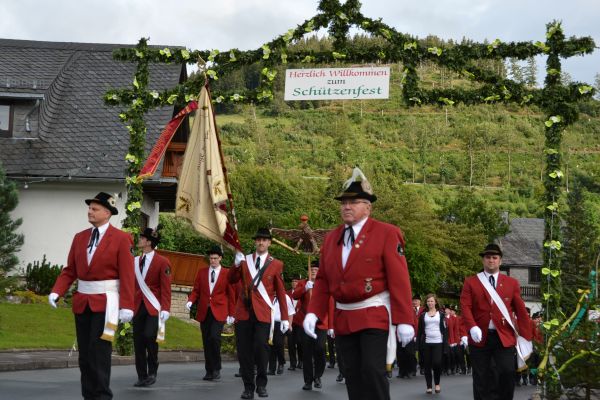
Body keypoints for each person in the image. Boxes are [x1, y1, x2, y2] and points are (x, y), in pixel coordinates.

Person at [304, 168, 415, 400]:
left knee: (372, 371)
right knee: (352, 375)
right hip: (344, 317)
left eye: (353, 202)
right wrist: (314, 312)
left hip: (373, 313)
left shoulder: (386, 233)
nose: (347, 206)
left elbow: (399, 279)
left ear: (368, 207)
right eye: (344, 202)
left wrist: (405, 319)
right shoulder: (332, 238)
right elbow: (323, 279)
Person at [49, 192, 135, 400]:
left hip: (106, 302)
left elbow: (127, 274)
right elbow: (70, 270)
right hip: (83, 302)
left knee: (99, 353)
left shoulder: (122, 238)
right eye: (89, 208)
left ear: (107, 213)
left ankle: (102, 395)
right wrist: (57, 290)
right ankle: (88, 395)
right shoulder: (80, 238)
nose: (90, 212)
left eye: (95, 209)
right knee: (85, 355)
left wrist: (127, 305)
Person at [460, 243, 533, 400]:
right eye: (488, 257)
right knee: (481, 377)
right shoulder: (471, 282)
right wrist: (472, 327)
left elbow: (520, 310)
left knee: (507, 372)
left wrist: (527, 336)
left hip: (504, 336)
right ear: (483, 260)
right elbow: (465, 307)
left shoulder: (511, 283)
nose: (491, 260)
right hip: (479, 337)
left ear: (500, 261)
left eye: (494, 257)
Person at [229, 228, 290, 399]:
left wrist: (285, 318)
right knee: (244, 352)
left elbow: (281, 292)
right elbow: (231, 280)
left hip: (263, 313)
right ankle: (248, 387)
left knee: (261, 349)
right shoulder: (245, 260)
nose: (261, 242)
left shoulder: (276, 264)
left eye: (264, 240)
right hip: (243, 312)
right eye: (258, 240)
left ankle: (261, 384)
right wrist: (235, 265)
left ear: (269, 243)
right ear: (255, 242)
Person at [186, 246, 235, 381]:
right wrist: (191, 300)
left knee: (214, 338)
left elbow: (231, 295)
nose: (212, 260)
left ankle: (216, 368)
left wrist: (231, 314)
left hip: (219, 311)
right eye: (211, 258)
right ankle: (209, 370)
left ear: (220, 258)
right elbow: (196, 290)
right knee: (206, 341)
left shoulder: (227, 273)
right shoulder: (202, 272)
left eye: (215, 258)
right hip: (204, 311)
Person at [131, 227, 172, 387]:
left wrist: (166, 308)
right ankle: (142, 375)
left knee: (149, 336)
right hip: (137, 305)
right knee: (138, 341)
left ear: (149, 242)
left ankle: (153, 370)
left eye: (142, 238)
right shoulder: (135, 261)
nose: (139, 240)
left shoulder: (162, 262)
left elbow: (166, 288)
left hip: (153, 306)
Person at [293, 260, 333, 391]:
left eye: (316, 270)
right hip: (306, 323)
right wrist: (305, 288)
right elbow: (295, 295)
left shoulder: (325, 284)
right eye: (312, 270)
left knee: (320, 349)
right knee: (307, 352)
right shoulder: (303, 283)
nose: (314, 271)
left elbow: (330, 305)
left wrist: (331, 326)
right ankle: (308, 381)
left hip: (321, 322)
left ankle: (318, 376)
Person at [417, 294, 448, 394]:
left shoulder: (441, 314)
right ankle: (429, 386)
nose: (430, 303)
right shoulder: (423, 315)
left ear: (435, 302)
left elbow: (445, 331)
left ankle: (437, 384)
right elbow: (419, 331)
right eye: (428, 301)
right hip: (426, 343)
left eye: (431, 301)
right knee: (427, 365)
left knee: (437, 363)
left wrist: (446, 345)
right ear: (426, 303)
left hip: (438, 342)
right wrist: (417, 345)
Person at [268, 292, 295, 375]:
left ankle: (281, 363)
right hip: (270, 323)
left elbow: (291, 312)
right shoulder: (268, 295)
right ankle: (271, 368)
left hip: (281, 323)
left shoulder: (285, 297)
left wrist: (289, 324)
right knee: (271, 345)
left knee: (279, 344)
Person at [287, 274, 303, 371]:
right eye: (293, 281)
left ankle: (301, 361)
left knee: (300, 342)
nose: (294, 283)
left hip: (300, 321)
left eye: (296, 281)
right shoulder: (287, 293)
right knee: (291, 343)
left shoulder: (303, 293)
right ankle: (292, 363)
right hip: (290, 322)